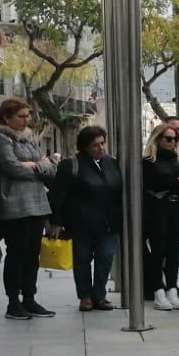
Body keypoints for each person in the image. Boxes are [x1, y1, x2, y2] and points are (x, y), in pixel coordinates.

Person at [0, 98, 57, 320]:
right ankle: (13, 302)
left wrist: (35, 165)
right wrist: (39, 166)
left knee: (32, 256)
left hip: (37, 204)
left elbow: (51, 167)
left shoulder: (29, 138)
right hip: (14, 205)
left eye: (28, 115)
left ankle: (29, 297)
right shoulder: (1, 138)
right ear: (7, 117)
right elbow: (12, 167)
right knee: (17, 254)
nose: (27, 119)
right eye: (21, 116)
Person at [48, 125, 123, 311]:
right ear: (85, 147)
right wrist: (57, 222)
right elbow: (59, 195)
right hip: (82, 222)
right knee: (82, 259)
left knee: (105, 258)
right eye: (95, 145)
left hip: (109, 222)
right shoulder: (71, 165)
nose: (101, 148)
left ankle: (99, 295)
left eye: (102, 143)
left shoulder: (112, 163)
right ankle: (85, 296)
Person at [142, 122, 179, 311]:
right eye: (169, 138)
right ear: (158, 139)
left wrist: (172, 185)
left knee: (174, 251)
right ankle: (158, 290)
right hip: (157, 209)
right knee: (159, 251)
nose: (173, 142)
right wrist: (175, 182)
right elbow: (153, 184)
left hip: (176, 206)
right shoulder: (148, 161)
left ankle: (172, 288)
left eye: (175, 139)